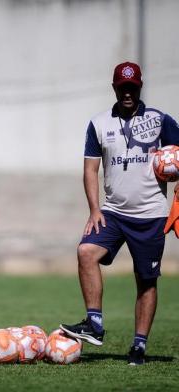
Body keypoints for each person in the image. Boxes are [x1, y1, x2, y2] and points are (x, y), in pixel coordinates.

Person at [59, 61, 179, 365]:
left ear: (139, 87)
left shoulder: (160, 120)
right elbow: (90, 169)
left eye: (133, 87)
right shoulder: (99, 124)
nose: (127, 92)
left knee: (146, 280)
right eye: (122, 87)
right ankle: (95, 324)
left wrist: (178, 195)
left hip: (150, 215)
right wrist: (94, 209)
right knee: (86, 252)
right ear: (114, 88)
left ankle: (139, 346)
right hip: (112, 212)